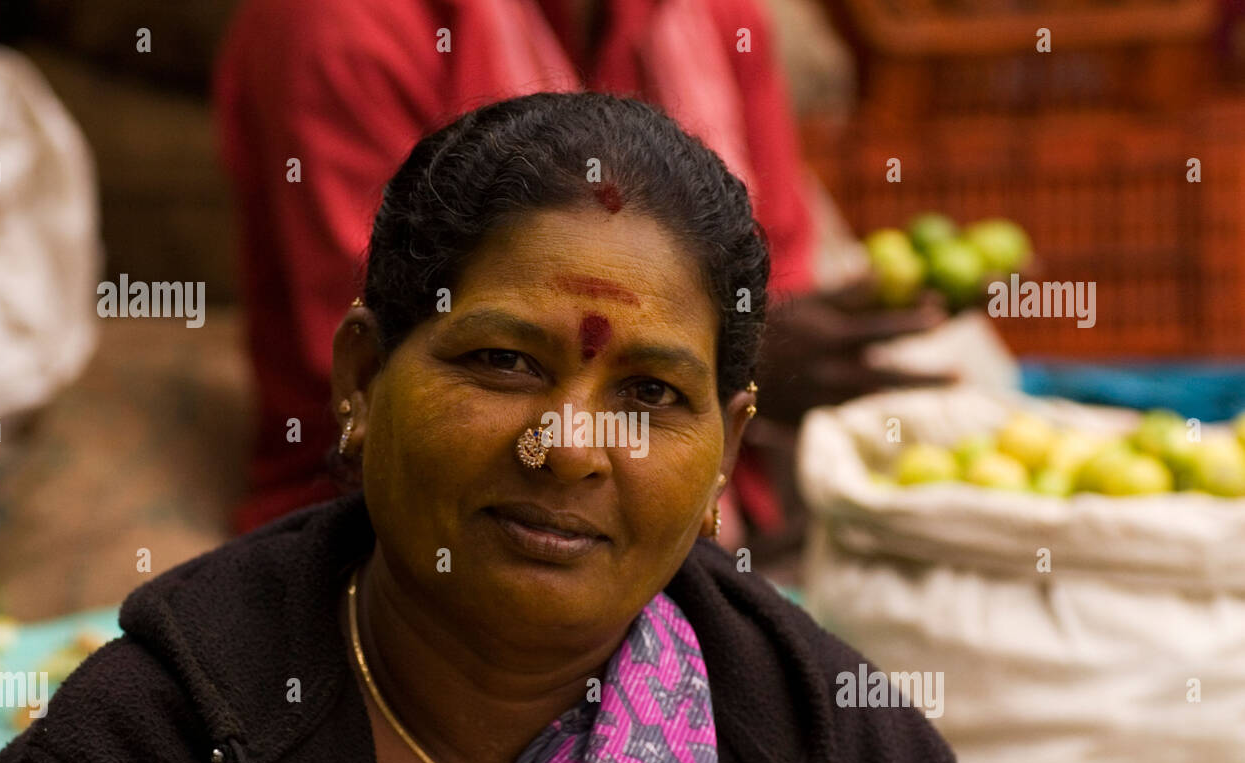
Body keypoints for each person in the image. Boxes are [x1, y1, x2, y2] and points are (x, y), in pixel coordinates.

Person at [0, 94, 992, 763]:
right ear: (360, 377)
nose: (571, 444)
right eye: (502, 361)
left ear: (727, 445)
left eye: (651, 393)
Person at [215, 0, 947, 538]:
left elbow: (779, 262)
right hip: (405, 518)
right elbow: (407, 338)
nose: (574, 447)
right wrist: (751, 356)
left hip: (715, 510)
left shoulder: (718, 17)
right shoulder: (338, 25)